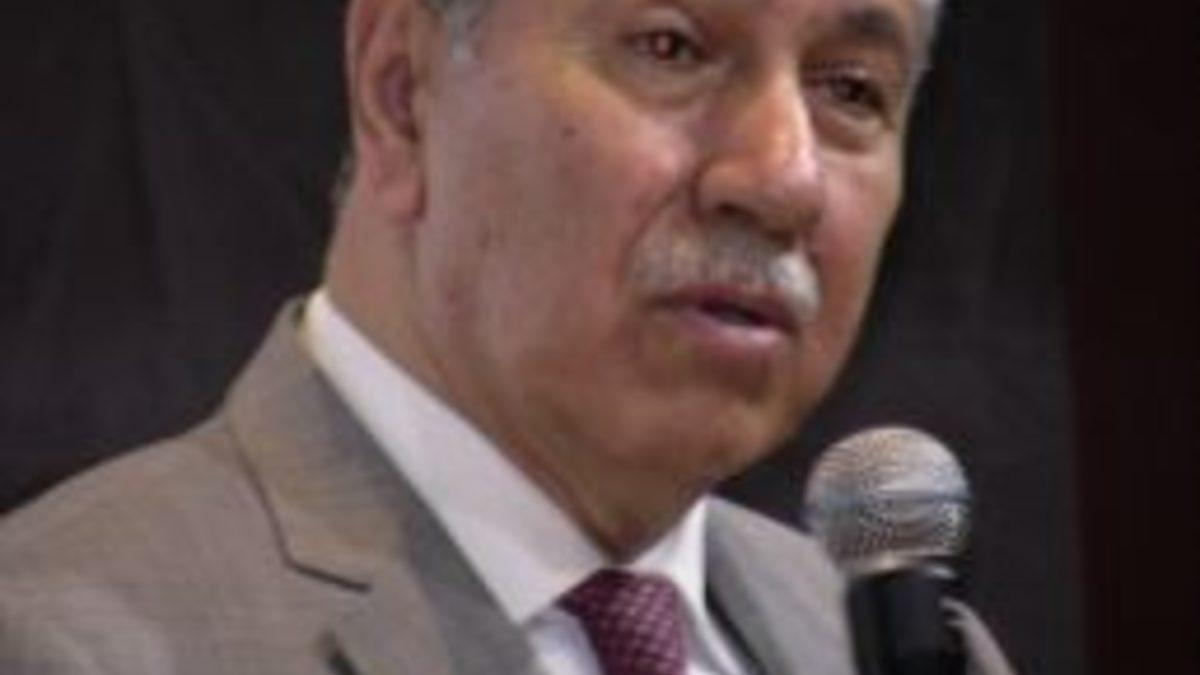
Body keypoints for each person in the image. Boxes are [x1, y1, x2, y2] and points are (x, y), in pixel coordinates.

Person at [0, 0, 1016, 673]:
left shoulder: (905, 652)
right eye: (670, 46)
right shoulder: (57, 641)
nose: (784, 178)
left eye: (851, 90)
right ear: (401, 92)